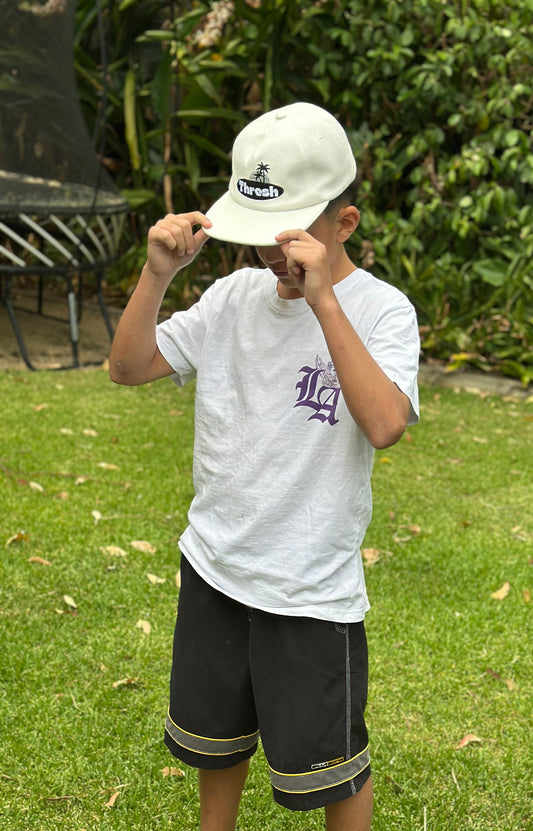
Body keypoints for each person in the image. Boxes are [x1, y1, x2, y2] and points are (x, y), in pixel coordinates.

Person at [109, 102, 420, 830]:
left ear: (343, 224)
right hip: (215, 565)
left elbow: (384, 425)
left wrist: (323, 303)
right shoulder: (232, 298)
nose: (271, 254)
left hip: (308, 590)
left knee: (332, 765)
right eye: (257, 235)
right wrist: (156, 275)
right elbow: (127, 367)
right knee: (214, 744)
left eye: (288, 233)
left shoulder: (381, 311)